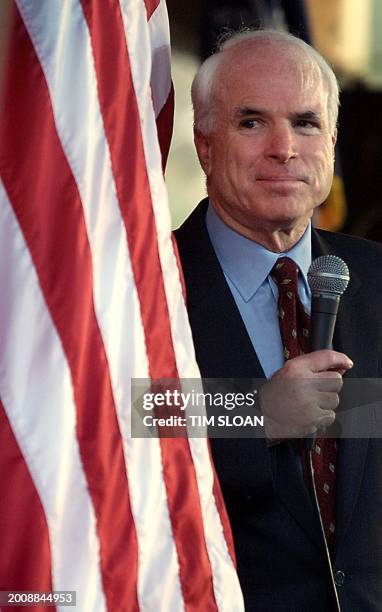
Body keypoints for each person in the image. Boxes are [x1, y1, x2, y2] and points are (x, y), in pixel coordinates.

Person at [175, 30, 382, 611]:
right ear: (205, 144)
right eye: (251, 122)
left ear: (333, 144)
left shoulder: (376, 278)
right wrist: (255, 412)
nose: (284, 146)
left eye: (306, 123)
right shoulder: (147, 285)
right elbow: (125, 416)